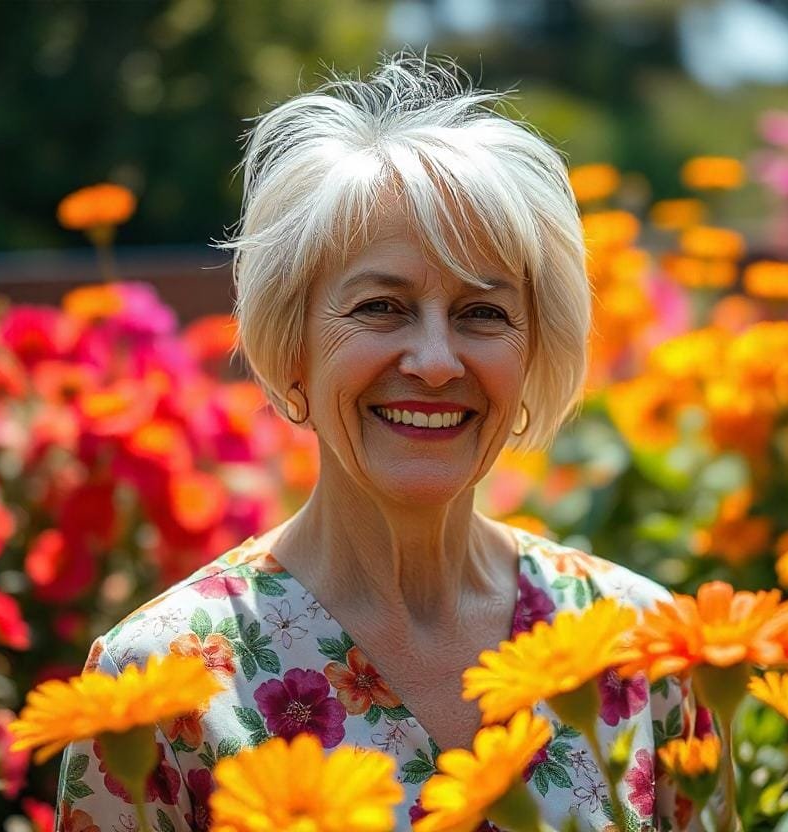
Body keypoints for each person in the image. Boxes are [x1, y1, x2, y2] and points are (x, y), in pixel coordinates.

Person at [55, 54, 702, 832]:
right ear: (292, 343)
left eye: (483, 314)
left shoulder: (641, 644)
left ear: (537, 351)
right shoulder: (158, 683)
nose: (435, 361)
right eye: (382, 307)